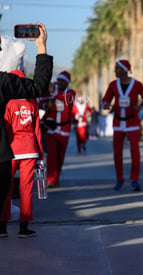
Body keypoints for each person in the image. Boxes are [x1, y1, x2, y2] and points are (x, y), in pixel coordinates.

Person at [0, 23, 52, 224]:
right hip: (16, 150)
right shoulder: (6, 85)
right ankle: (22, 225)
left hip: (12, 150)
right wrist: (41, 47)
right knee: (23, 188)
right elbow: (39, 86)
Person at [0, 70, 44, 238]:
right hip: (31, 150)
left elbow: (6, 129)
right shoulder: (32, 104)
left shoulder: (8, 103)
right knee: (26, 190)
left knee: (6, 189)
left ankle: (2, 227)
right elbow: (38, 131)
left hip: (11, 149)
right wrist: (40, 156)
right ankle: (24, 227)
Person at [102, 59, 143, 191]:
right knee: (117, 153)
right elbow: (105, 99)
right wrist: (106, 104)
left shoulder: (137, 84)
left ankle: (134, 180)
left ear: (124, 70)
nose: (115, 71)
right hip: (118, 122)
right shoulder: (113, 85)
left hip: (132, 122)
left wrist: (140, 106)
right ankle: (119, 180)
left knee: (135, 152)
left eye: (117, 68)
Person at [44, 71, 76, 188]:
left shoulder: (71, 93)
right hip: (51, 128)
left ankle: (56, 179)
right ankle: (50, 179)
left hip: (64, 129)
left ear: (67, 82)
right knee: (52, 155)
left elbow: (66, 101)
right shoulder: (52, 92)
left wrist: (53, 93)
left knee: (60, 156)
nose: (59, 83)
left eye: (62, 81)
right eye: (58, 80)